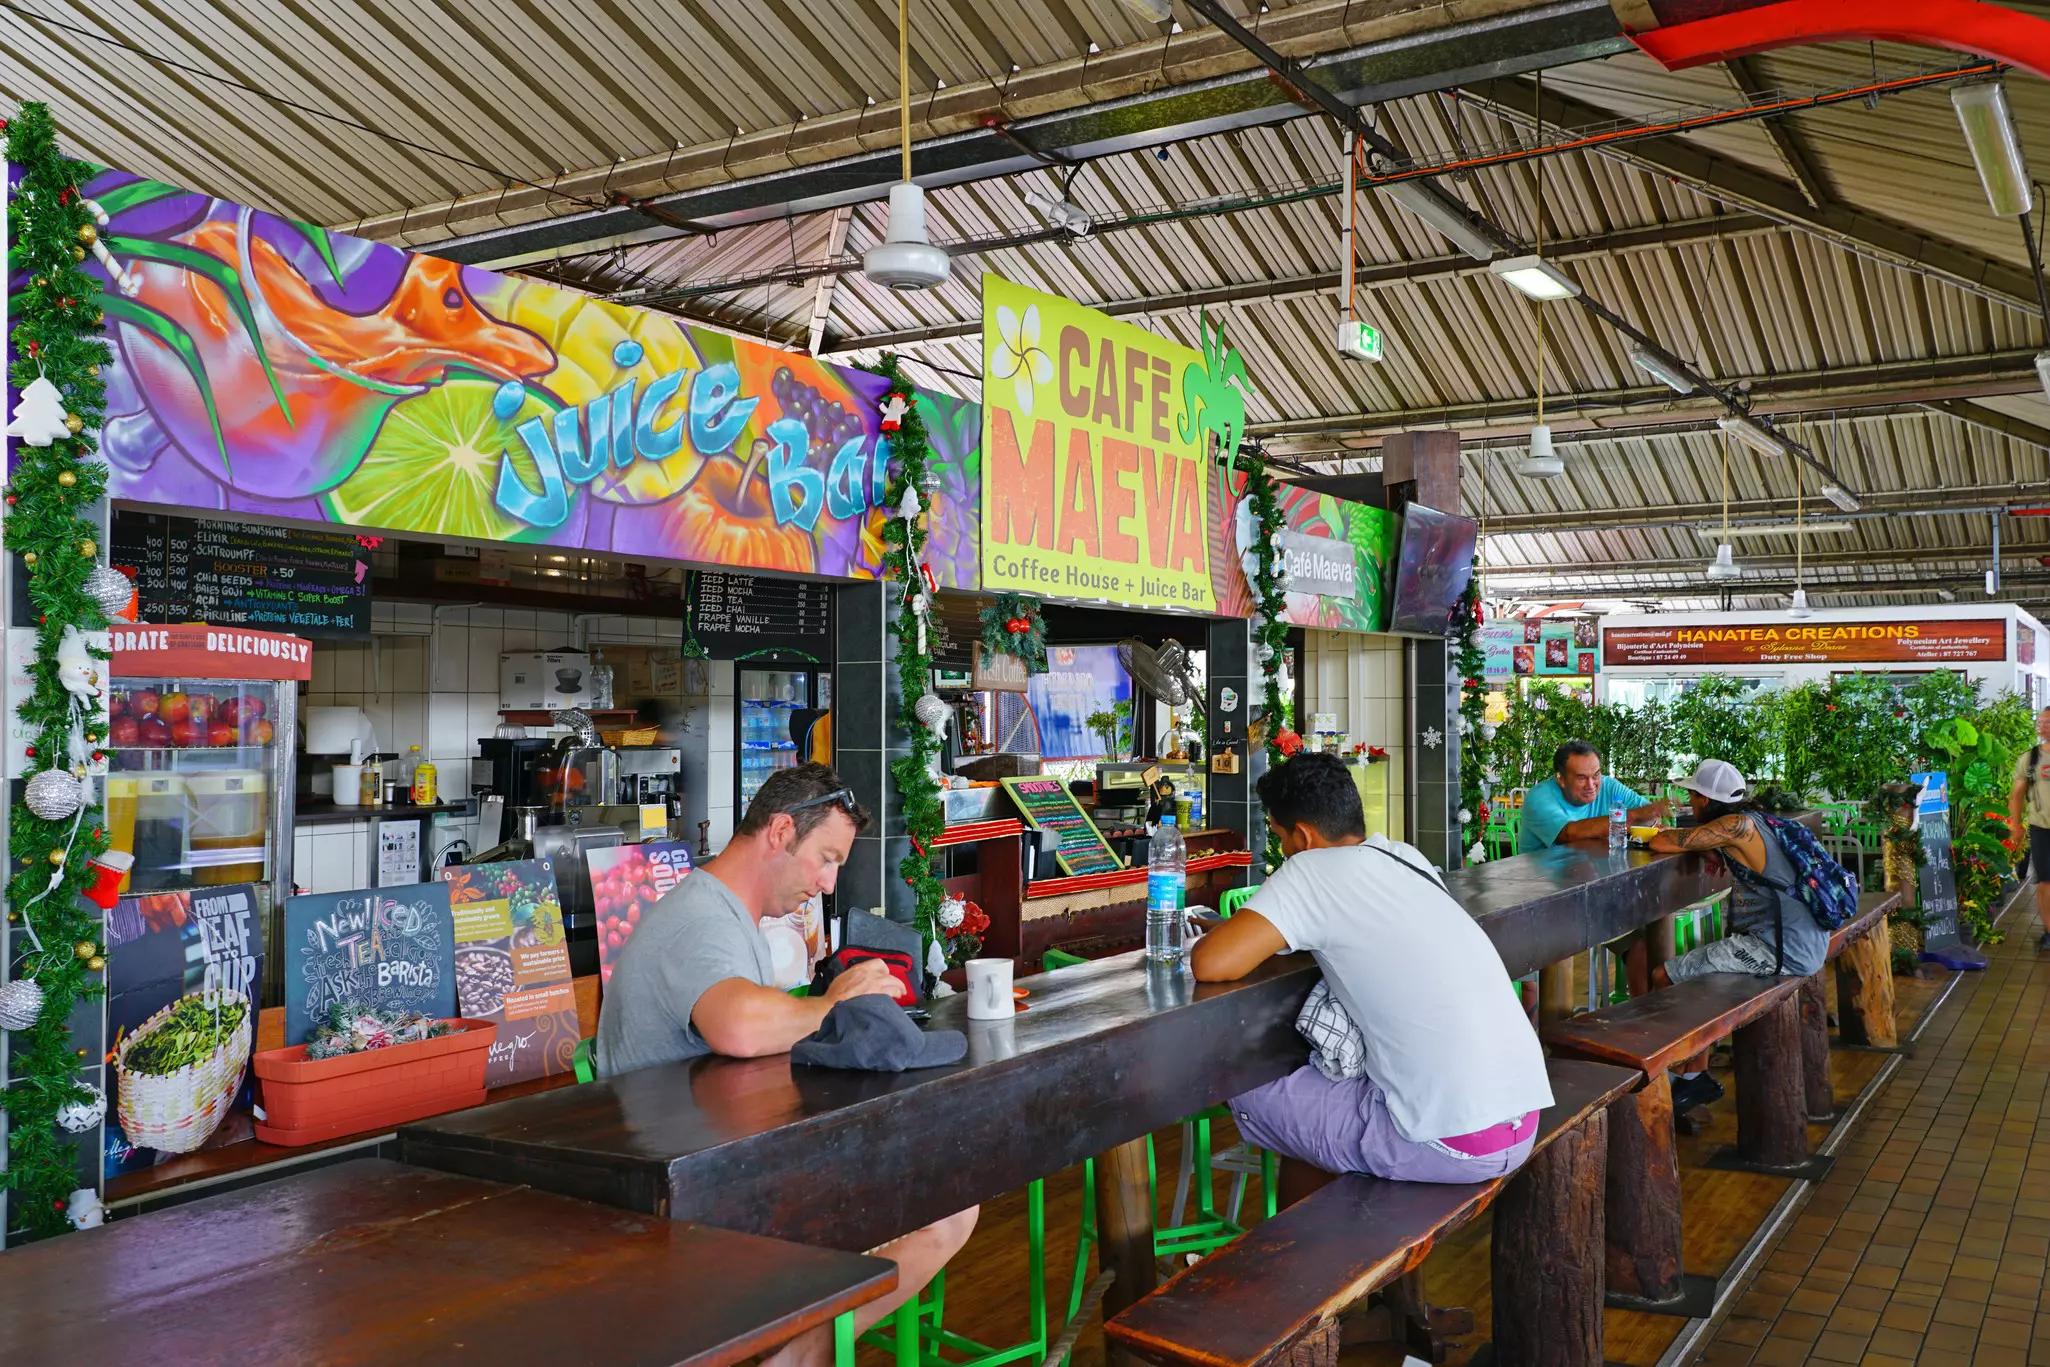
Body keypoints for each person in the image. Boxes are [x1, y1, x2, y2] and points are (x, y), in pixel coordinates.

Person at [596, 762, 977, 1367]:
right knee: (950, 1204)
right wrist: (833, 1004)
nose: (829, 884)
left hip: (707, 1172)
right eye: (825, 858)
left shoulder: (725, 915)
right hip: (682, 1205)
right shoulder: (700, 918)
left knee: (947, 1196)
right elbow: (739, 1025)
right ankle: (794, 1359)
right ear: (778, 832)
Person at [1192, 753, 1554, 1190]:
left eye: (1279, 835)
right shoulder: (1405, 858)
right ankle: (1320, 1249)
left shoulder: (1310, 869)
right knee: (1320, 1103)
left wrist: (1232, 933)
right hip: (1519, 1121)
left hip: (1451, 1141)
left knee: (1248, 1087)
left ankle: (1301, 1255)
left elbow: (1210, 964)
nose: (1282, 848)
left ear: (1303, 835)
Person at [1644, 758, 1834, 1113]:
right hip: (1805, 940)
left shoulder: (1735, 825)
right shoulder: (1757, 821)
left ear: (1704, 799)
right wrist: (1714, 850)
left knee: (1662, 976)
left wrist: (1703, 845)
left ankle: (1686, 1076)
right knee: (1696, 979)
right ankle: (1694, 1072)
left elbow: (1665, 841)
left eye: (1691, 795)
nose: (1689, 802)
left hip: (1781, 949)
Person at [1518, 739, 1671, 852]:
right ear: (1561, 779)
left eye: (1596, 774)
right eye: (1581, 778)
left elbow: (1651, 816)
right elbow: (1569, 833)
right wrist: (1632, 818)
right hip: (1541, 886)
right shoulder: (1539, 798)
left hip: (1591, 875)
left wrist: (1650, 815)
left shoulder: (1608, 786)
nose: (1591, 785)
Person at [2007, 706, 2050, 950]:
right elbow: (2017, 795)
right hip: (2041, 828)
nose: (2042, 726)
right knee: (2045, 882)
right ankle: (2048, 931)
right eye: (2040, 721)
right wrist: (2016, 825)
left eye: (2047, 722)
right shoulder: (2030, 758)